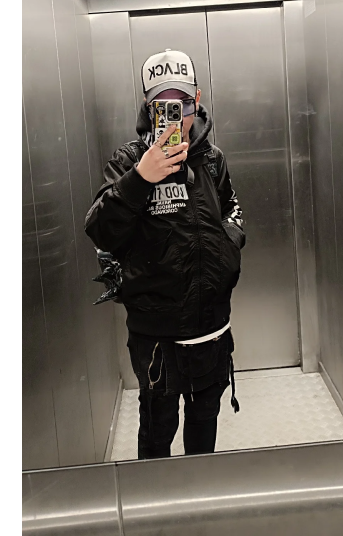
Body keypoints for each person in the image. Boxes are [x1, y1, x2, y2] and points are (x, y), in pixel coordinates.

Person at [84, 48, 246, 459]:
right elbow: (100, 229)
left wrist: (230, 244)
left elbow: (232, 208)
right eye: (164, 106)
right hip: (157, 336)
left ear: (198, 99)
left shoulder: (213, 160)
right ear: (148, 106)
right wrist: (141, 178)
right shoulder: (128, 161)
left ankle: (197, 496)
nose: (176, 117)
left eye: (184, 104)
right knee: (157, 433)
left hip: (212, 327)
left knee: (204, 425)